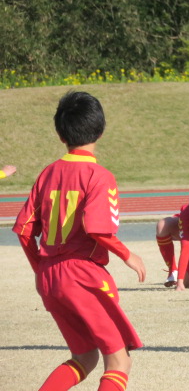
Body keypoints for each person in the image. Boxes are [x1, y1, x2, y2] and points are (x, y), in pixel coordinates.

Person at [13, 91, 145, 391]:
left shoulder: (47, 173)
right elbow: (97, 228)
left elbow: (23, 230)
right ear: (101, 130)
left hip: (49, 277)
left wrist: (41, 267)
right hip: (82, 275)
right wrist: (128, 255)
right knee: (119, 361)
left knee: (85, 357)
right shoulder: (99, 175)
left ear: (61, 135)